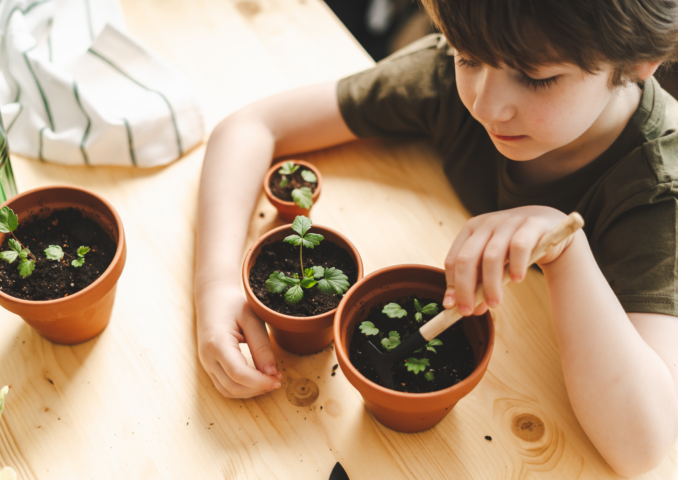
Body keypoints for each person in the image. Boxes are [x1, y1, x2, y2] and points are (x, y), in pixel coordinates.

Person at [194, 0, 678, 474]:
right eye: (468, 57)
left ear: (637, 61)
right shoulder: (451, 72)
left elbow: (640, 447)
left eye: (536, 77)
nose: (486, 106)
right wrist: (216, 284)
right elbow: (250, 127)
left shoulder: (657, 188)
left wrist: (565, 248)